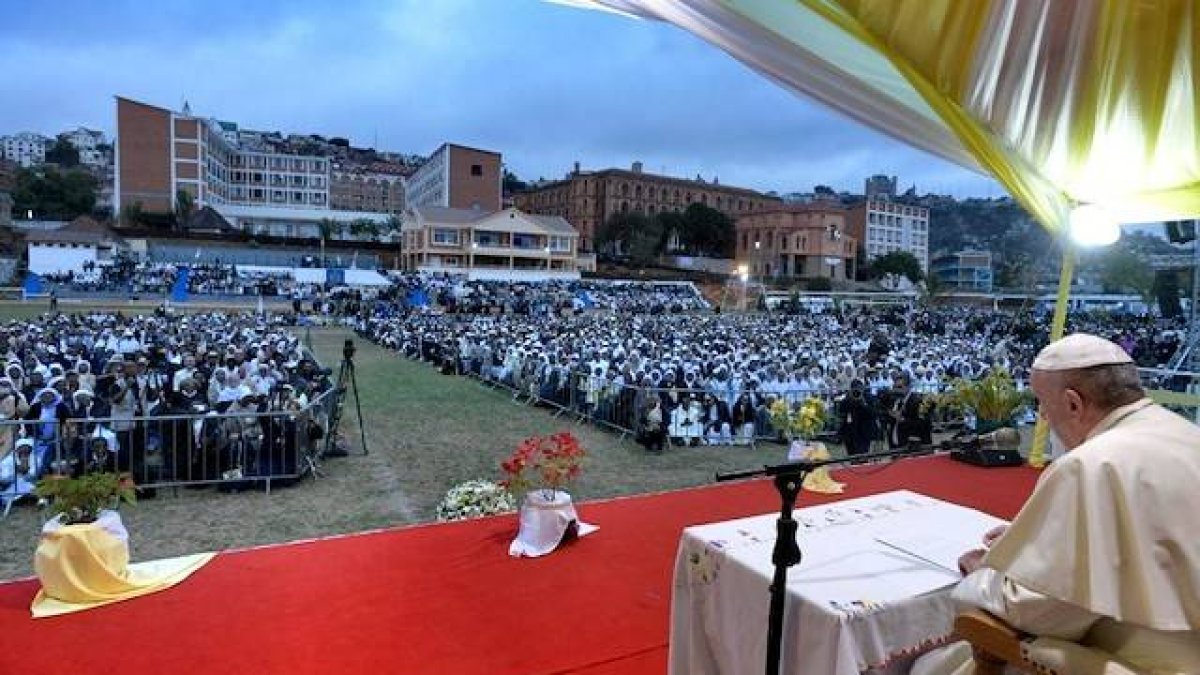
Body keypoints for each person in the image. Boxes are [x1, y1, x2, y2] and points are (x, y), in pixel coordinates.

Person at [912, 334, 1200, 674]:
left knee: (928, 667)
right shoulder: (1184, 432)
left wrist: (985, 574)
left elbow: (1043, 611)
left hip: (1149, 656)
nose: (1044, 418)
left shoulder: (1090, 465)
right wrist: (1038, 541)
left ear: (1074, 404)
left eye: (1043, 405)